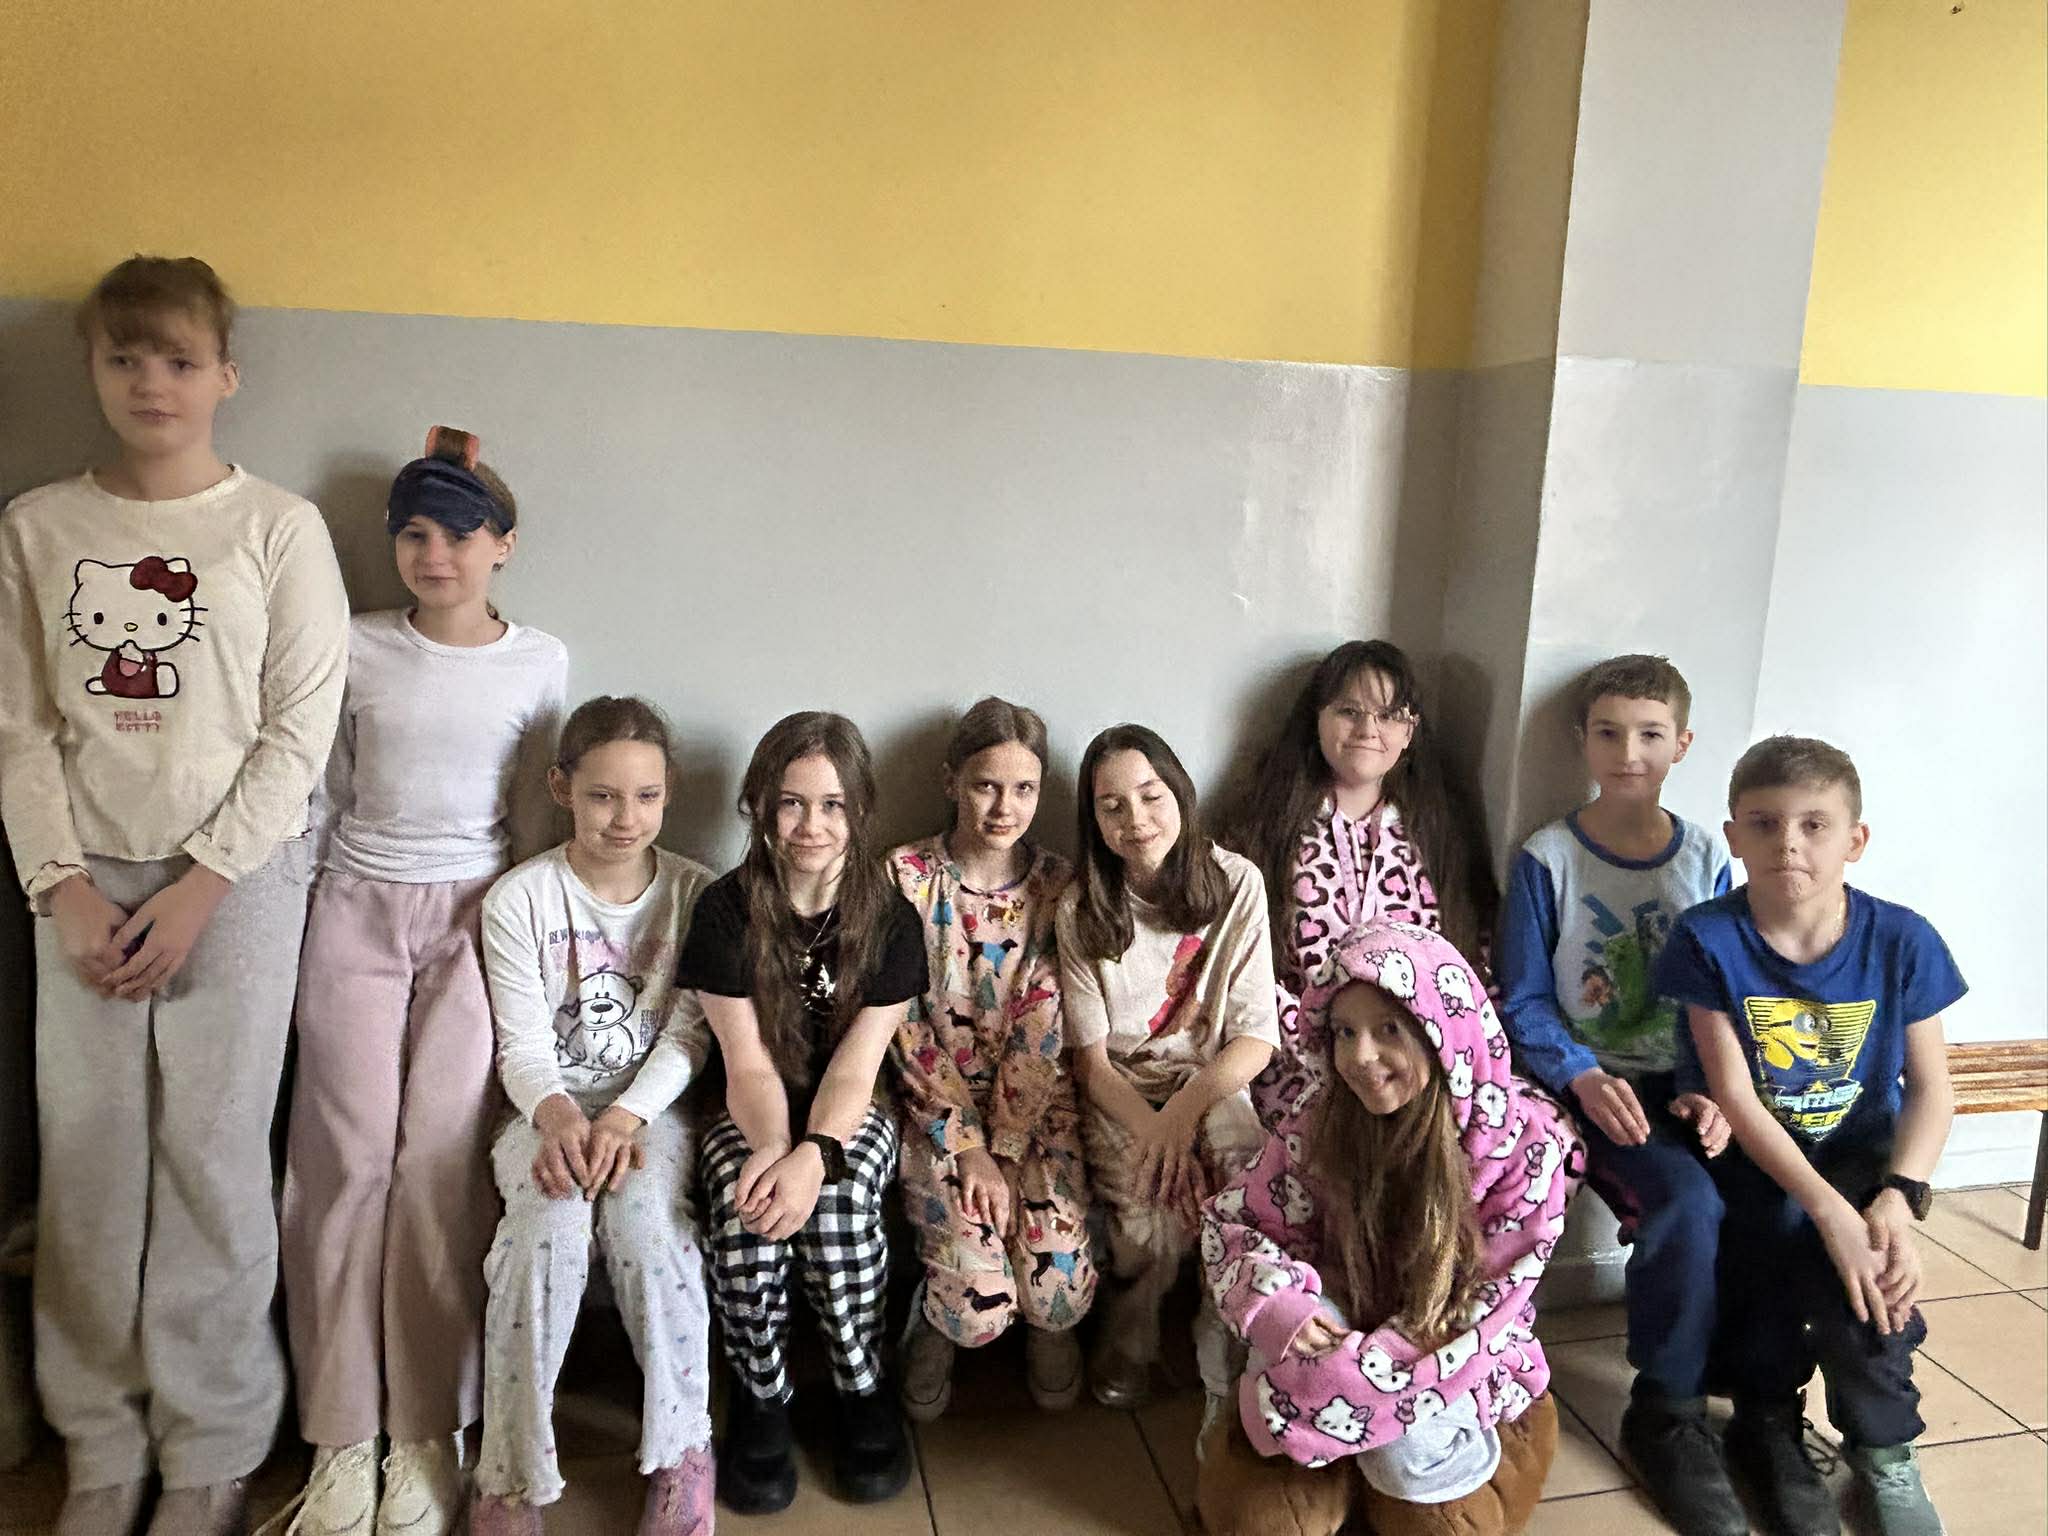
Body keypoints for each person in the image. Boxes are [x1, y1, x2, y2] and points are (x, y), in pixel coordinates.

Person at [0, 255, 348, 1536]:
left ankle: (211, 1446)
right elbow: (20, 729)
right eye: (124, 358)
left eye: (179, 360)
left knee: (211, 1160)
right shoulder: (39, 528)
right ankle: (99, 1441)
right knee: (89, 1162)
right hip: (83, 884)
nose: (151, 383)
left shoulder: (277, 528)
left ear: (225, 376)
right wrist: (62, 887)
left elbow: (299, 731)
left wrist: (205, 885)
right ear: (92, 369)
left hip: (237, 884)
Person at [277, 429, 566, 1536]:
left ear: (502, 545)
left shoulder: (539, 662)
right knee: (342, 1161)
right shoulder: (354, 644)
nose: (433, 554)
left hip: (473, 923)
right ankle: (341, 1432)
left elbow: (533, 818)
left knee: (437, 1168)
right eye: (412, 533)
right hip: (354, 910)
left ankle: (427, 1427)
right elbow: (325, 788)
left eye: (457, 533)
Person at [1660, 736, 1963, 1536]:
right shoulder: (1706, 938)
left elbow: (1933, 1090)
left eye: (1814, 825)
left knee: (1871, 1284)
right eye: (1764, 824)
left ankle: (1886, 1452)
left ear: (1854, 840)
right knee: (1763, 1265)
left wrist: (1896, 1199)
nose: (1788, 844)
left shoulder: (1902, 939)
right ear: (1734, 837)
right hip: (1756, 1158)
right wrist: (1826, 1211)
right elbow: (1734, 1095)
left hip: (1862, 1159)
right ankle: (1767, 1421)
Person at [1197, 920, 1580, 1536]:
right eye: (1344, 1033)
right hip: (1339, 1321)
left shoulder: (1520, 1150)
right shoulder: (1317, 1122)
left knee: (1409, 1460)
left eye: (1389, 1030)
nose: (1360, 1057)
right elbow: (1239, 1222)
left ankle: (1362, 1443)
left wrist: (1368, 1374)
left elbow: (1487, 1307)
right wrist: (1282, 1308)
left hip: (1445, 1343)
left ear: (1441, 1033)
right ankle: (1338, 1437)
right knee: (1284, 1390)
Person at [1493, 653, 1741, 1536]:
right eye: (1608, 733)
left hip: (1690, 1081)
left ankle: (1763, 1401)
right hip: (1589, 1086)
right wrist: (1581, 1074)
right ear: (1582, 740)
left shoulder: (1708, 856)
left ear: (1682, 743)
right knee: (1685, 1201)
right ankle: (1667, 1408)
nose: (1628, 753)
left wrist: (1713, 1089)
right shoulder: (1549, 858)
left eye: (1649, 734)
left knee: (1774, 1190)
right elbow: (1522, 998)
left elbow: (1726, 989)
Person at [467, 697, 718, 1536]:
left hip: (651, 1114)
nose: (625, 818)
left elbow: (690, 1033)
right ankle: (510, 1475)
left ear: (669, 792)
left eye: (646, 796)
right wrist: (558, 1118)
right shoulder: (520, 900)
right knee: (546, 1230)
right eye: (603, 796)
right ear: (562, 789)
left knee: (649, 1229)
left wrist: (626, 1120)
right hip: (544, 1112)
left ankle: (683, 1449)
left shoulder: (696, 893)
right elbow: (521, 1043)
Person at [676, 712, 927, 1513]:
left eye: (831, 805)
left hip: (849, 1109)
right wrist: (771, 1150)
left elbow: (859, 1065)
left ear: (860, 810)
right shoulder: (724, 911)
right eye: (791, 803)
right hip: (748, 1107)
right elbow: (746, 1062)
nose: (810, 825)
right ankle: (761, 1395)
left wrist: (814, 1155)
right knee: (748, 1208)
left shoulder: (891, 921)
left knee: (841, 1213)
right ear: (760, 806)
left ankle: (861, 1384)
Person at [1058, 724, 1279, 1422]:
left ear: (1180, 794)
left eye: (1150, 796)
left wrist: (1181, 1121)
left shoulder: (1237, 882)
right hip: (1123, 1090)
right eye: (1112, 806)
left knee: (1247, 1181)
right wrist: (1156, 1133)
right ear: (1094, 821)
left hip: (1211, 1079)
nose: (1136, 819)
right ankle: (1133, 1331)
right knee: (1147, 1212)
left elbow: (1255, 1038)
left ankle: (1227, 1325)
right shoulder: (1080, 908)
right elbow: (1092, 1063)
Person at [887, 697, 1095, 1420]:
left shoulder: (1059, 887)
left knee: (1056, 1288)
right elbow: (902, 1021)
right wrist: (969, 1147)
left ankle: (1049, 1326)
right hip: (938, 1113)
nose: (1005, 807)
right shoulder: (907, 877)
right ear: (952, 782)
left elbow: (1045, 1021)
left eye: (1024, 788)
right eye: (986, 785)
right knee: (976, 1303)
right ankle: (938, 1320)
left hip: (1036, 1113)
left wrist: (1004, 1148)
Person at [1221, 640, 1490, 1137]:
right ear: (1317, 719)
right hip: (1300, 1061)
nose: (1368, 729)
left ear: (1409, 731)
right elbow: (1243, 967)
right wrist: (1326, 1049)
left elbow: (1470, 955)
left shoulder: (1438, 828)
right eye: (1349, 711)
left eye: (1388, 715)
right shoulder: (1265, 828)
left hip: (1420, 1058)